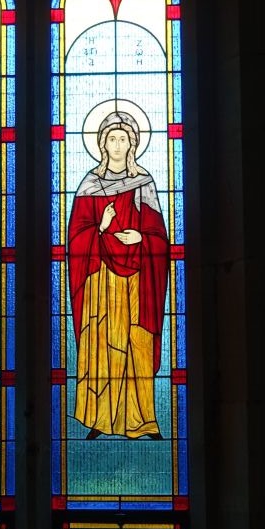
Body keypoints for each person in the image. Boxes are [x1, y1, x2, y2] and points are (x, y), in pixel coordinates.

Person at [68, 110, 169, 439]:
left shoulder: (144, 184)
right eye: (111, 138)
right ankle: (101, 418)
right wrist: (101, 227)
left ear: (132, 145)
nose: (116, 144)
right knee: (104, 344)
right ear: (102, 144)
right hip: (101, 280)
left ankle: (142, 419)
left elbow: (159, 237)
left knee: (137, 343)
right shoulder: (89, 186)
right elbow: (76, 238)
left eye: (122, 139)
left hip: (138, 277)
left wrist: (141, 238)